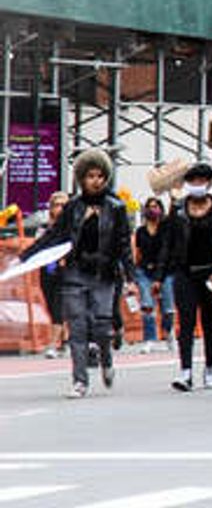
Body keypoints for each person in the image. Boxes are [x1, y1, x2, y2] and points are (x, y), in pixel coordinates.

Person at [16, 150, 135, 398]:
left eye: (100, 176)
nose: (95, 181)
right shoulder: (72, 208)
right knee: (78, 328)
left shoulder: (116, 207)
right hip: (75, 273)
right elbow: (54, 235)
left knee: (102, 325)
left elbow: (124, 245)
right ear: (81, 178)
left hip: (105, 274)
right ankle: (80, 380)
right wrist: (26, 256)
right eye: (90, 176)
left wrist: (131, 279)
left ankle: (106, 359)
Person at [165, 164, 212, 391]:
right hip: (185, 272)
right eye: (192, 181)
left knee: (209, 322)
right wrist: (160, 276)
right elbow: (170, 243)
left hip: (211, 272)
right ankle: (185, 371)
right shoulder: (178, 210)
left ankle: (210, 367)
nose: (197, 186)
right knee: (186, 321)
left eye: (201, 181)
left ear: (210, 183)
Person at [133, 197, 175, 355]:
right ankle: (149, 339)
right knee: (147, 305)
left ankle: (168, 331)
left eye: (156, 206)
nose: (152, 209)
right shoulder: (140, 231)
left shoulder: (166, 229)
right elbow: (138, 253)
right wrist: (133, 274)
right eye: (149, 207)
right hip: (145, 271)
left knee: (168, 308)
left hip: (165, 271)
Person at [37, 191, 70, 359]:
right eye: (57, 205)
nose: (60, 209)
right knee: (51, 306)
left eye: (64, 205)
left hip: (66, 270)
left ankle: (52, 345)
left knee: (58, 306)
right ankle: (65, 340)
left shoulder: (73, 227)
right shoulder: (45, 227)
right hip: (47, 270)